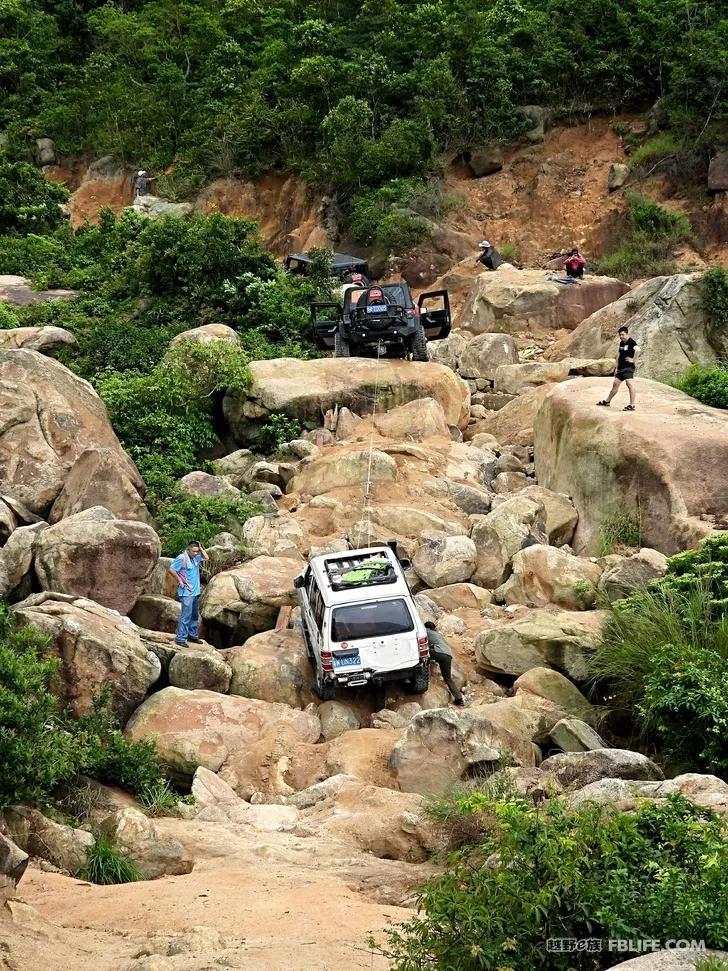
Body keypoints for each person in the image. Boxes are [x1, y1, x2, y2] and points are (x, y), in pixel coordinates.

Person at [169, 541, 209, 646]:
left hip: (195, 592)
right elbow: (171, 569)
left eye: (197, 551)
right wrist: (180, 580)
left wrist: (200, 548)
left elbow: (206, 558)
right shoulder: (182, 558)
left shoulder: (195, 558)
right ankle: (181, 638)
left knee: (194, 615)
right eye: (194, 551)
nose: (196, 553)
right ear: (188, 550)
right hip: (186, 592)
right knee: (185, 616)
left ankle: (192, 636)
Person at [597, 326, 639, 411]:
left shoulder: (631, 342)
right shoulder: (622, 343)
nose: (621, 336)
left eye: (623, 335)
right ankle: (607, 401)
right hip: (621, 368)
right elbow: (620, 355)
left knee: (629, 384)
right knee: (615, 385)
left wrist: (633, 360)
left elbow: (638, 350)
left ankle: (632, 405)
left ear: (627, 334)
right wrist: (617, 366)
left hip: (628, 367)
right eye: (620, 335)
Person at [424, 622, 464, 705]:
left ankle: (424, 674)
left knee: (422, 652)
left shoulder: (426, 632)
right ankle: (459, 699)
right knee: (448, 678)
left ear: (427, 628)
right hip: (448, 655)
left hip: (438, 653)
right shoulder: (439, 635)